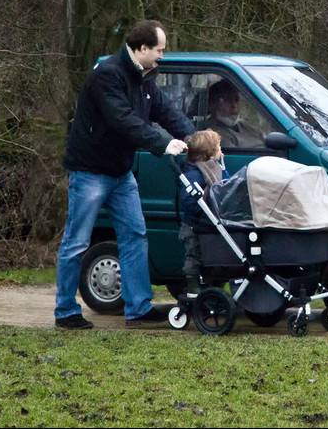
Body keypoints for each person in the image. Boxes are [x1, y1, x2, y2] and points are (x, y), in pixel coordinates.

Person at [54, 19, 194, 330]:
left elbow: (166, 111)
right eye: (159, 50)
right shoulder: (108, 75)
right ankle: (65, 311)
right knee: (77, 241)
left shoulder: (144, 78)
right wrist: (162, 143)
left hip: (120, 172)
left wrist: (197, 140)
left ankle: (138, 309)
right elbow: (123, 119)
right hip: (90, 171)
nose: (162, 56)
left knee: (135, 235)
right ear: (142, 48)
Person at [177, 129, 229, 297]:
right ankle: (193, 287)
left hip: (208, 225)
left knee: (209, 257)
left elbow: (226, 186)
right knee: (194, 256)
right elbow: (188, 201)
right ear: (209, 153)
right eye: (218, 147)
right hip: (194, 226)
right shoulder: (194, 175)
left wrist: (223, 166)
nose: (221, 150)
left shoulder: (214, 168)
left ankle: (209, 287)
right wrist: (203, 209)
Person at [205, 80, 265, 148]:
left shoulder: (252, 130)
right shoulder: (213, 134)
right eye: (227, 100)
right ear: (214, 104)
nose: (234, 105)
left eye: (236, 99)